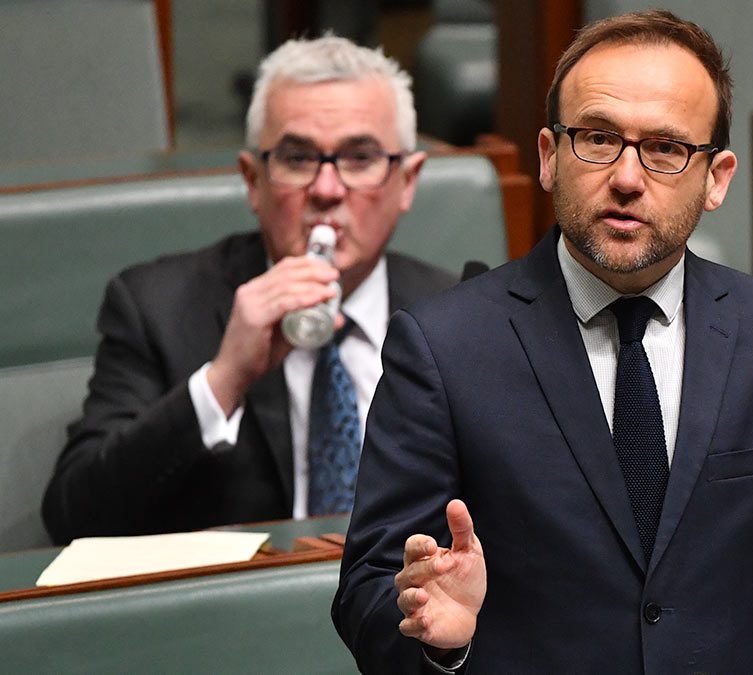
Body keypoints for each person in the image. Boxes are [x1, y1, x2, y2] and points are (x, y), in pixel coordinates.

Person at [333, 10, 753, 673]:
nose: (627, 177)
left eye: (666, 148)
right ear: (550, 157)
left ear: (718, 178)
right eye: (598, 138)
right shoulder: (442, 347)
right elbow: (366, 592)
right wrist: (437, 633)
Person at [42, 36, 456, 543]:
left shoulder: (457, 315)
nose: (326, 190)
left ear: (407, 181)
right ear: (252, 180)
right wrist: (223, 380)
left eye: (360, 157)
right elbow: (73, 516)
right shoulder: (157, 307)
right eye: (298, 159)